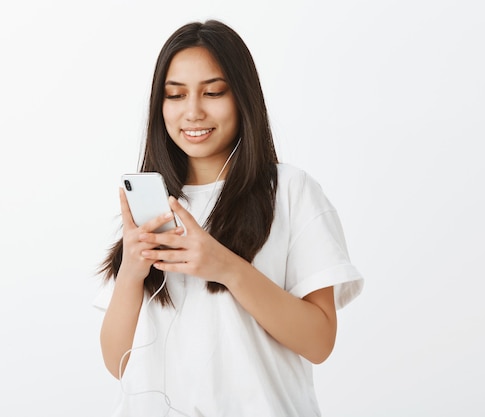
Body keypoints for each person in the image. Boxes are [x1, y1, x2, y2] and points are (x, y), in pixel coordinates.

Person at [94, 19, 363, 417]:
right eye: (175, 95)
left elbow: (319, 341)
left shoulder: (289, 191)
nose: (193, 111)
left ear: (242, 97)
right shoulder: (151, 207)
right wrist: (132, 272)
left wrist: (226, 268)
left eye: (213, 92)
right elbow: (117, 362)